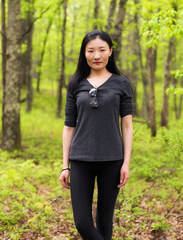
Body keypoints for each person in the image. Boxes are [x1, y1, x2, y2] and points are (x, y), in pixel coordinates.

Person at [59, 30, 133, 240]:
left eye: (102, 50)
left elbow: (127, 126)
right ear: (84, 53)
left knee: (104, 221)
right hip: (81, 159)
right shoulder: (76, 84)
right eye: (91, 51)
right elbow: (68, 126)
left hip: (112, 159)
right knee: (82, 222)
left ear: (110, 51)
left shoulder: (121, 84)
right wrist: (65, 165)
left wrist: (126, 163)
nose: (97, 55)